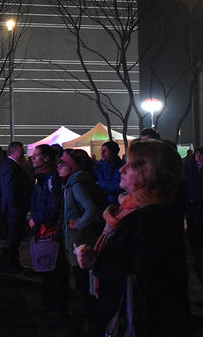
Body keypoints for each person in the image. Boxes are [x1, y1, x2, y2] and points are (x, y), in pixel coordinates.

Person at [74, 140, 192, 336]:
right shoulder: (130, 211)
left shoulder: (153, 218)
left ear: (149, 173)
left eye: (130, 165)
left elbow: (148, 278)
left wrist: (97, 262)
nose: (122, 169)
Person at [59, 148, 103, 334]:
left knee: (82, 284)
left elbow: (91, 209)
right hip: (82, 240)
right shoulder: (79, 181)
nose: (59, 167)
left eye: (63, 164)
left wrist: (78, 224)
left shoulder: (76, 184)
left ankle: (88, 324)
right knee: (85, 284)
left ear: (73, 166)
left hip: (80, 243)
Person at [28, 144, 67, 315]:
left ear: (46, 158)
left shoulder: (52, 179)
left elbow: (55, 206)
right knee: (47, 267)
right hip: (42, 227)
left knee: (54, 268)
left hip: (50, 229)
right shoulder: (41, 178)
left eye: (37, 155)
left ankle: (56, 307)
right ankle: (49, 303)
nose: (33, 158)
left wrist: (37, 217)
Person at [0, 141, 32, 272]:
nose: (23, 153)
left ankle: (11, 264)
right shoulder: (11, 166)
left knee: (14, 237)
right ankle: (11, 264)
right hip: (14, 209)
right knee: (13, 238)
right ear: (15, 152)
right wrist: (16, 206)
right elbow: (10, 189)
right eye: (21, 150)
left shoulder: (10, 165)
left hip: (14, 208)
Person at [185, 146, 203, 256]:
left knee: (200, 223)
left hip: (202, 198)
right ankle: (193, 246)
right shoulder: (190, 167)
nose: (198, 157)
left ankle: (201, 247)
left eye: (200, 155)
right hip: (190, 197)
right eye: (197, 155)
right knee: (191, 223)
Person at [94, 140, 123, 205]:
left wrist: (100, 183)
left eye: (105, 150)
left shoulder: (121, 168)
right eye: (101, 150)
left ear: (113, 152)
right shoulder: (97, 167)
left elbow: (118, 186)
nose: (102, 153)